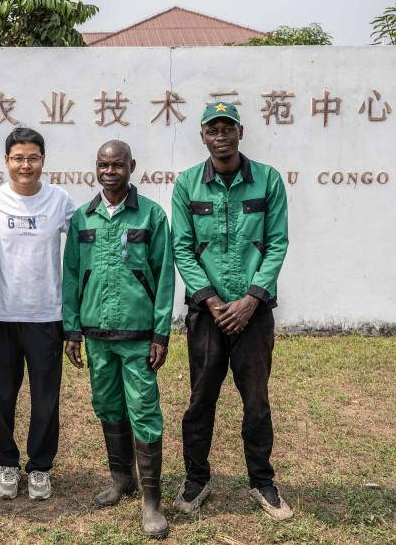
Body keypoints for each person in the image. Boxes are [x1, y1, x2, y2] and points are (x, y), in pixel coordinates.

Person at [170, 102, 292, 521]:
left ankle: (262, 482)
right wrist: (213, 301)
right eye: (212, 129)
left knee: (256, 400)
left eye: (227, 128)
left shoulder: (268, 180)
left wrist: (251, 299)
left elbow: (277, 243)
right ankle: (195, 481)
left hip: (253, 312)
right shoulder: (187, 183)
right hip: (207, 313)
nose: (220, 135)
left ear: (240, 132)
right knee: (201, 399)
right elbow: (183, 248)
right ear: (202, 136)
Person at [62, 140, 175, 539]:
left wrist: (161, 332)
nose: (110, 171)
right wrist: (72, 328)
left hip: (139, 335)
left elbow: (164, 279)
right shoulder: (83, 218)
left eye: (118, 165)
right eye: (103, 165)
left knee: (143, 408)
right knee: (107, 404)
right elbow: (73, 275)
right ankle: (120, 478)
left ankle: (151, 501)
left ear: (132, 167)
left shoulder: (152, 216)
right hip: (96, 335)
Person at [0, 127, 76, 501]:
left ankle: (39, 467)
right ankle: (6, 464)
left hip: (46, 315)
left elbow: (85, 240)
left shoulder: (59, 200)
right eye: (18, 158)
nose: (25, 165)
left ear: (42, 161)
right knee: (0, 396)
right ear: (6, 161)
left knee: (45, 397)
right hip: (1, 313)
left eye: (32, 157)